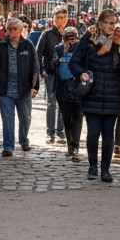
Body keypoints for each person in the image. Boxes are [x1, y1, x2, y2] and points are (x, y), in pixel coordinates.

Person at [70, 8, 120, 182]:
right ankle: (92, 166)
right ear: (100, 23)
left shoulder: (118, 40)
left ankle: (106, 170)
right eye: (109, 23)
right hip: (92, 92)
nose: (112, 26)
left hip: (112, 93)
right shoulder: (89, 39)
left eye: (114, 23)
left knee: (109, 134)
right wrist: (81, 73)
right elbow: (74, 62)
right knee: (93, 132)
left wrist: (118, 45)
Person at [0, 17, 39, 156]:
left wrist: (34, 86)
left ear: (21, 29)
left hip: (24, 89)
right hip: (6, 89)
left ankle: (24, 140)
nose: (12, 31)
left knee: (25, 118)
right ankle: (8, 146)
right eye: (9, 29)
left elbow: (35, 66)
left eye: (14, 28)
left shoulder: (28, 45)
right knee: (7, 119)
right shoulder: (0, 47)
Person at [36, 7, 70, 144]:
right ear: (53, 18)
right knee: (51, 103)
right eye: (58, 17)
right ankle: (50, 132)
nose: (60, 20)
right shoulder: (47, 34)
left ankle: (61, 132)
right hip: (50, 74)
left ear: (67, 19)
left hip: (65, 74)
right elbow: (38, 54)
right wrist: (42, 70)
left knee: (63, 103)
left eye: (63, 18)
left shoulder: (69, 34)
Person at [52, 26, 84, 160]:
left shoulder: (81, 48)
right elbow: (53, 66)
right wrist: (63, 52)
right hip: (62, 86)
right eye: (68, 38)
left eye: (73, 37)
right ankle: (70, 145)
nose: (71, 41)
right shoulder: (58, 48)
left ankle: (75, 146)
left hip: (77, 86)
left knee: (77, 116)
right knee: (66, 116)